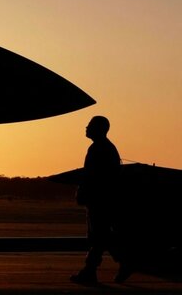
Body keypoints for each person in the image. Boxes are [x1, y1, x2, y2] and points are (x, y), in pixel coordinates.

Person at [70, 115, 127, 285]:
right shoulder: (103, 148)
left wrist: (84, 191)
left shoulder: (100, 149)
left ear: (99, 128)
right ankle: (121, 262)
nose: (86, 128)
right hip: (100, 199)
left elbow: (94, 176)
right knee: (101, 236)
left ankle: (92, 271)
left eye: (90, 125)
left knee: (99, 237)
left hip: (100, 200)